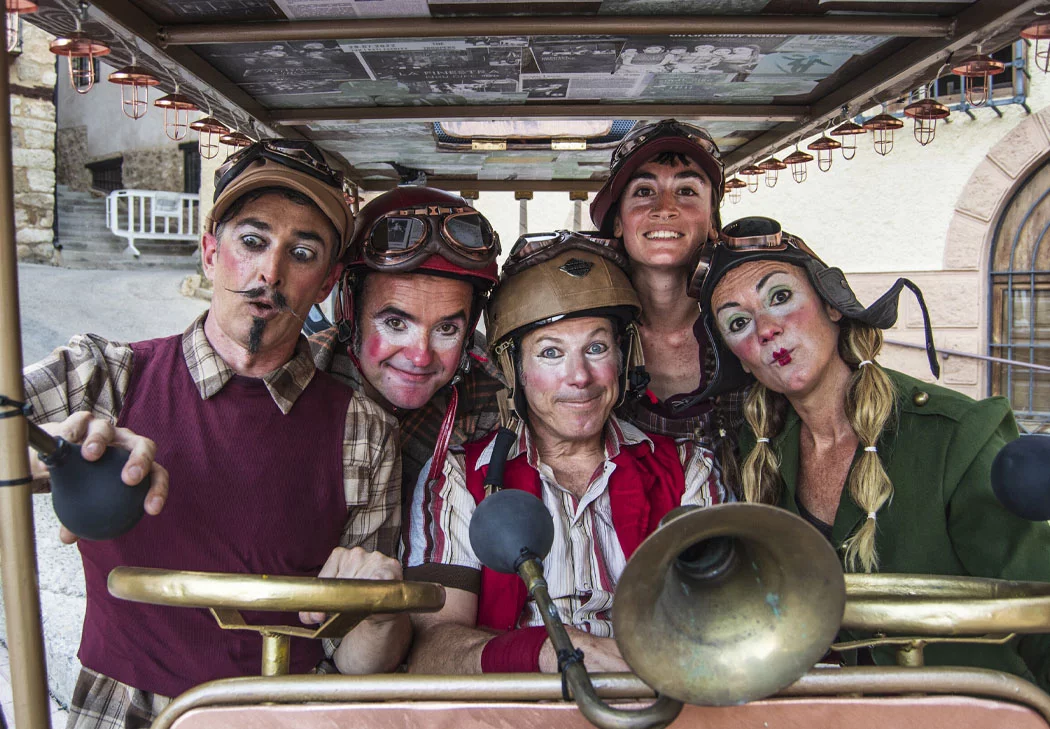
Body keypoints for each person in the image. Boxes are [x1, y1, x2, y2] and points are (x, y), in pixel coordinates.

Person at [23, 140, 405, 728]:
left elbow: (355, 661)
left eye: (301, 253)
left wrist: (381, 612)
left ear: (327, 283)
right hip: (122, 712)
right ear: (209, 253)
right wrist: (53, 448)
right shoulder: (105, 377)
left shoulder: (365, 432)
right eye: (252, 242)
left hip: (283, 718)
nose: (269, 273)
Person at [691, 215, 1050, 688]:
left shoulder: (955, 437)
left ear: (832, 305)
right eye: (738, 322)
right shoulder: (759, 453)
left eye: (780, 297)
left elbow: (1041, 615)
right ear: (738, 357)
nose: (766, 329)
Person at [404, 232, 727, 675]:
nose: (579, 376)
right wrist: (551, 650)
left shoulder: (689, 468)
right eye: (551, 353)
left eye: (596, 348)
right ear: (515, 370)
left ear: (623, 357)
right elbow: (432, 652)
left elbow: (719, 622)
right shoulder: (458, 477)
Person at [309, 186, 505, 514]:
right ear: (349, 312)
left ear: (470, 329)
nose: (420, 356)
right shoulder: (300, 378)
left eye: (446, 329)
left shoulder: (493, 391)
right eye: (396, 323)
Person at [590, 119, 744, 478]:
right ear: (618, 222)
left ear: (712, 221)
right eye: (644, 191)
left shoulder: (749, 327)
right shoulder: (585, 329)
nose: (664, 207)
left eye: (686, 191)